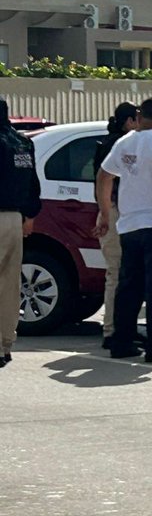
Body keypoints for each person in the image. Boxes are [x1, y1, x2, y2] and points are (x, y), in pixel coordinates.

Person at [96, 97, 152, 364]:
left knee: (129, 287)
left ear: (139, 115)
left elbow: (104, 176)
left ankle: (121, 342)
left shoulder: (125, 142)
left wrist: (104, 212)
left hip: (129, 224)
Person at [92, 101, 138, 350]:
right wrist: (105, 214)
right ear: (129, 122)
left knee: (121, 273)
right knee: (117, 273)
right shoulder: (118, 146)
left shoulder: (117, 143)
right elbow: (105, 183)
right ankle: (112, 330)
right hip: (115, 212)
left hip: (116, 212)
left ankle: (120, 328)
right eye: (136, 119)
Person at [0, 98, 41, 369]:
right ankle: (5, 344)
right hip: (15, 218)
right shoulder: (23, 143)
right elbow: (32, 185)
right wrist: (28, 215)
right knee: (9, 285)